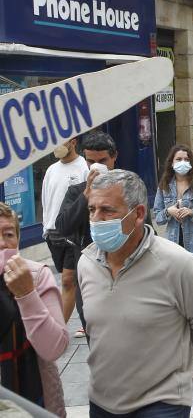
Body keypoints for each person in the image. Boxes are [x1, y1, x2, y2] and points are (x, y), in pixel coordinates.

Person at [79, 170, 193, 417]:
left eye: (108, 210)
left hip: (162, 402)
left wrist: (178, 367)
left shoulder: (177, 264)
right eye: (92, 210)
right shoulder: (87, 263)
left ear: (139, 214)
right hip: (102, 400)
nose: (96, 219)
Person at [1, 203, 69, 417]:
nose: (2, 243)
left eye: (9, 234)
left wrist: (26, 294)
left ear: (18, 240)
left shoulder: (37, 275)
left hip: (33, 395)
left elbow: (54, 348)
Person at [55, 131, 118, 338]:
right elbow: (63, 226)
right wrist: (87, 194)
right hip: (88, 274)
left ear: (114, 157)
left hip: (122, 273)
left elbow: (147, 230)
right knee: (94, 337)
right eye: (90, 161)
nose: (96, 166)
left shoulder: (128, 186)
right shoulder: (77, 192)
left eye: (102, 161)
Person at [40, 136, 87, 325]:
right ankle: (85, 315)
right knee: (69, 281)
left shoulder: (84, 167)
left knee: (68, 280)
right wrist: (46, 228)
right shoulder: (51, 170)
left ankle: (59, 329)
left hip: (72, 232)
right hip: (52, 233)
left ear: (73, 141)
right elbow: (46, 200)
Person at [153, 145, 193, 259]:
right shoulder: (164, 186)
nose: (183, 162)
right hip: (172, 246)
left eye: (186, 159)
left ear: (191, 163)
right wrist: (168, 211)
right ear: (172, 163)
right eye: (178, 159)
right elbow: (158, 218)